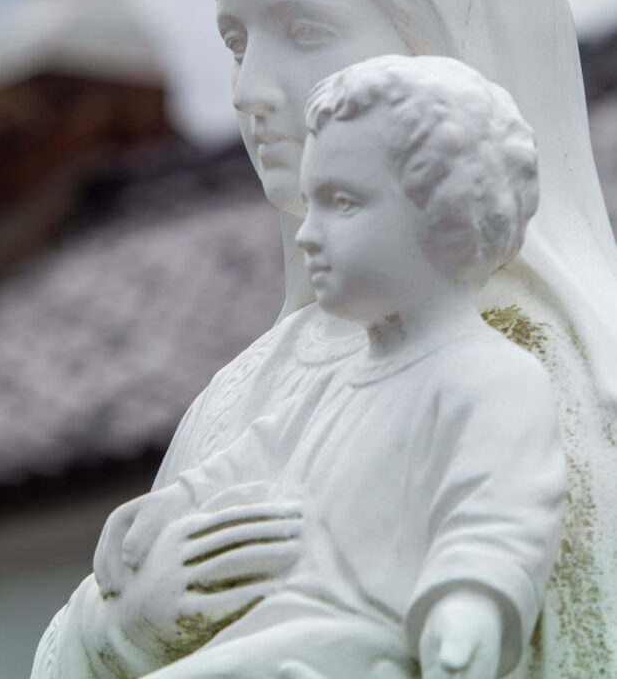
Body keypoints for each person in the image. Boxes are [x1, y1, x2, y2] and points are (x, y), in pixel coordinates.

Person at [31, 0, 617, 679]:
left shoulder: (547, 371)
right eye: (235, 41)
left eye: (303, 29)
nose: (248, 89)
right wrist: (116, 624)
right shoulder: (249, 388)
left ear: (450, 35)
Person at [89, 55, 566, 679]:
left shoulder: (492, 379)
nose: (307, 235)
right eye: (310, 206)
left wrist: (469, 608)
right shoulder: (336, 382)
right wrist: (168, 506)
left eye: (342, 203)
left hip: (354, 644)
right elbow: (254, 457)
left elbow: (499, 516)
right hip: (277, 633)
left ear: (446, 209)